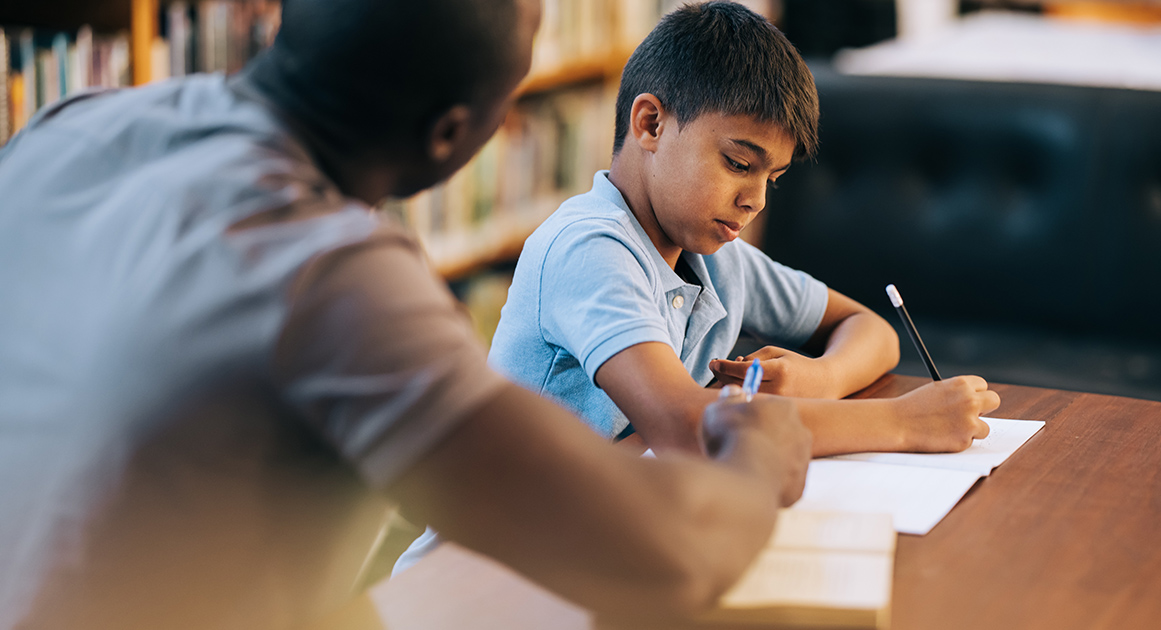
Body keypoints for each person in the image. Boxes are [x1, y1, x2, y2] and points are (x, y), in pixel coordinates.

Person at [0, 1, 814, 628]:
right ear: (451, 137)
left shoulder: (71, 128)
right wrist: (753, 450)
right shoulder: (331, 277)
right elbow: (670, 558)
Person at [487, 1, 1002, 456]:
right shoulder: (589, 247)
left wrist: (822, 377)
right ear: (651, 124)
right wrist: (902, 423)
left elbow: (872, 331)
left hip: (611, 524)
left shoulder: (714, 256)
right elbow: (685, 427)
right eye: (738, 163)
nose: (754, 200)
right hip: (497, 555)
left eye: (772, 179)